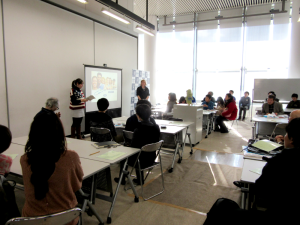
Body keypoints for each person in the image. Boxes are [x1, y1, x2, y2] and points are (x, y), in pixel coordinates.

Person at [204, 118, 300, 225]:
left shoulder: (281, 160)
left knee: (221, 206)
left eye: (286, 134)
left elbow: (260, 190)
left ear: (292, 139)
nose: (284, 136)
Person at [21, 111, 83, 225]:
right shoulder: (70, 157)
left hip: (31, 219)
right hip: (66, 218)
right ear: (59, 132)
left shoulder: (24, 159)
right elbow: (77, 186)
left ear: (33, 132)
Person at [115, 104, 160, 185]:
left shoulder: (138, 130)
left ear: (138, 116)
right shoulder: (156, 127)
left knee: (125, 156)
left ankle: (122, 179)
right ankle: (140, 179)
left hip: (139, 160)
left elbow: (133, 148)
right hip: (151, 158)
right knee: (140, 152)